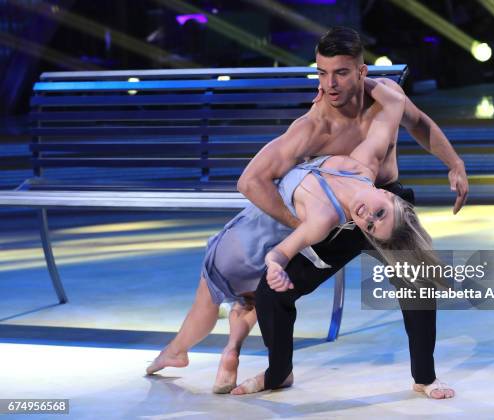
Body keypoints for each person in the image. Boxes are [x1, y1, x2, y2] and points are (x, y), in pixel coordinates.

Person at [145, 76, 431, 394]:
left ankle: (179, 351)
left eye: (371, 225)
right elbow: (393, 104)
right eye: (380, 212)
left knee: (214, 300)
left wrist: (276, 265)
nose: (369, 216)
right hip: (256, 233)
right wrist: (355, 80)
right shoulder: (362, 165)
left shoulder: (324, 219)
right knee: (247, 301)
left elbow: (279, 248)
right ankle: (228, 352)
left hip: (250, 239)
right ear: (390, 196)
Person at [232, 27, 468, 399]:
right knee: (270, 294)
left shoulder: (387, 96)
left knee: (418, 277)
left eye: (340, 72)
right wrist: (303, 226)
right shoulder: (312, 128)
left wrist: (453, 163)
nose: (330, 84)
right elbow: (251, 181)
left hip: (384, 202)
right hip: (335, 218)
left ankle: (424, 376)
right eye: (322, 73)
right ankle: (279, 373)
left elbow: (419, 122)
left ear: (361, 71)